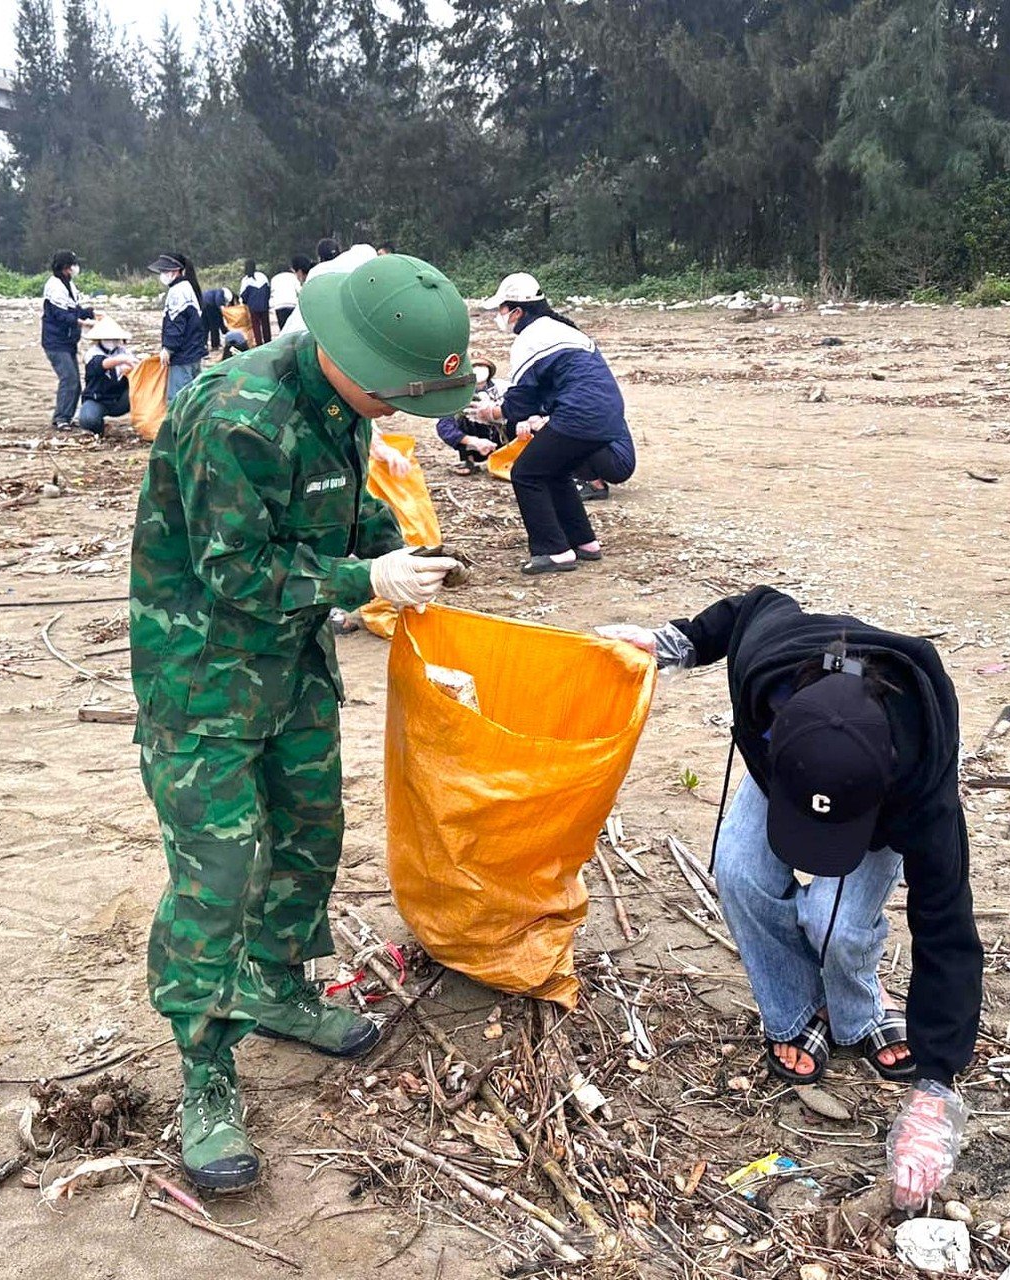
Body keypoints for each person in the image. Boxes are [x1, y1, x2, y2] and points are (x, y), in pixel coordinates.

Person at [128, 252, 475, 1192]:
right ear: (353, 363)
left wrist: (401, 550)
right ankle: (204, 1073)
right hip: (203, 680)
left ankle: (277, 989)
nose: (400, 412)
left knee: (313, 832)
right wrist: (368, 584)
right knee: (218, 874)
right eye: (396, 394)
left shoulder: (338, 407)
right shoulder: (234, 415)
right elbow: (235, 576)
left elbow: (342, 507)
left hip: (291, 671)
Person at [595, 586, 981, 1211]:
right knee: (741, 873)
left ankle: (856, 1010)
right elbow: (753, 605)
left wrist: (936, 1089)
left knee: (838, 924)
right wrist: (679, 642)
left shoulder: (922, 786)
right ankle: (798, 1014)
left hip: (874, 797)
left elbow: (947, 925)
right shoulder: (766, 669)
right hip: (794, 775)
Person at [471, 272, 637, 575]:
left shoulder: (529, 339)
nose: (499, 317)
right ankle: (584, 542)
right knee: (555, 470)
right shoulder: (562, 329)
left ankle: (554, 550)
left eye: (501, 310)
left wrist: (492, 412)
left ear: (518, 311)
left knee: (526, 473)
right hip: (607, 415)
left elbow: (522, 403)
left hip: (579, 416)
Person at [41, 251, 94, 430]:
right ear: (65, 268)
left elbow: (74, 309)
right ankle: (61, 418)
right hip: (56, 342)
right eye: (73, 265)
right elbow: (60, 315)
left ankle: (67, 417)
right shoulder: (55, 286)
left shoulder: (68, 284)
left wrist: (91, 313)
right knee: (69, 379)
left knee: (75, 382)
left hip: (68, 342)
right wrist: (81, 322)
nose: (75, 268)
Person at [147, 252, 209, 402]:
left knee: (178, 400)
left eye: (164, 271)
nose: (162, 275)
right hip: (193, 352)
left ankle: (179, 426)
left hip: (183, 356)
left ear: (175, 271)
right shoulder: (187, 287)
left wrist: (168, 348)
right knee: (192, 398)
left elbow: (176, 324)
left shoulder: (177, 292)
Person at [435, 359, 507, 473]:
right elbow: (444, 426)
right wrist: (472, 441)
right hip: (475, 440)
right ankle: (469, 459)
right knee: (462, 417)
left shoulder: (503, 387)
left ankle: (510, 456)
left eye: (482, 365)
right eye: (475, 365)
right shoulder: (456, 395)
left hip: (503, 435)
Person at [76, 318, 139, 437]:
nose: (112, 341)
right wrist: (121, 360)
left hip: (121, 399)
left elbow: (136, 368)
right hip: (98, 399)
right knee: (88, 419)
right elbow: (100, 364)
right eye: (108, 338)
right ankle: (100, 428)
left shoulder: (124, 352)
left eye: (115, 338)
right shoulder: (92, 353)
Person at [199, 285, 252, 360]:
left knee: (205, 326)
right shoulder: (223, 292)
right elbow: (219, 303)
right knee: (214, 325)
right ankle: (215, 345)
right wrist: (224, 311)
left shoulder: (216, 291)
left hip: (203, 303)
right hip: (210, 305)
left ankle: (203, 345)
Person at [269, 256, 309, 334]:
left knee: (283, 329)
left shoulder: (274, 279)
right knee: (292, 327)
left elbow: (272, 293)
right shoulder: (293, 276)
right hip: (292, 304)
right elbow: (299, 290)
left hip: (279, 306)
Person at [240, 261, 272, 346]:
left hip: (253, 306)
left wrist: (246, 302)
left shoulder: (246, 279)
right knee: (266, 324)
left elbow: (243, 295)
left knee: (256, 326)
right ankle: (268, 342)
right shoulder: (262, 276)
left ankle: (259, 344)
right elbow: (268, 290)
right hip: (264, 304)